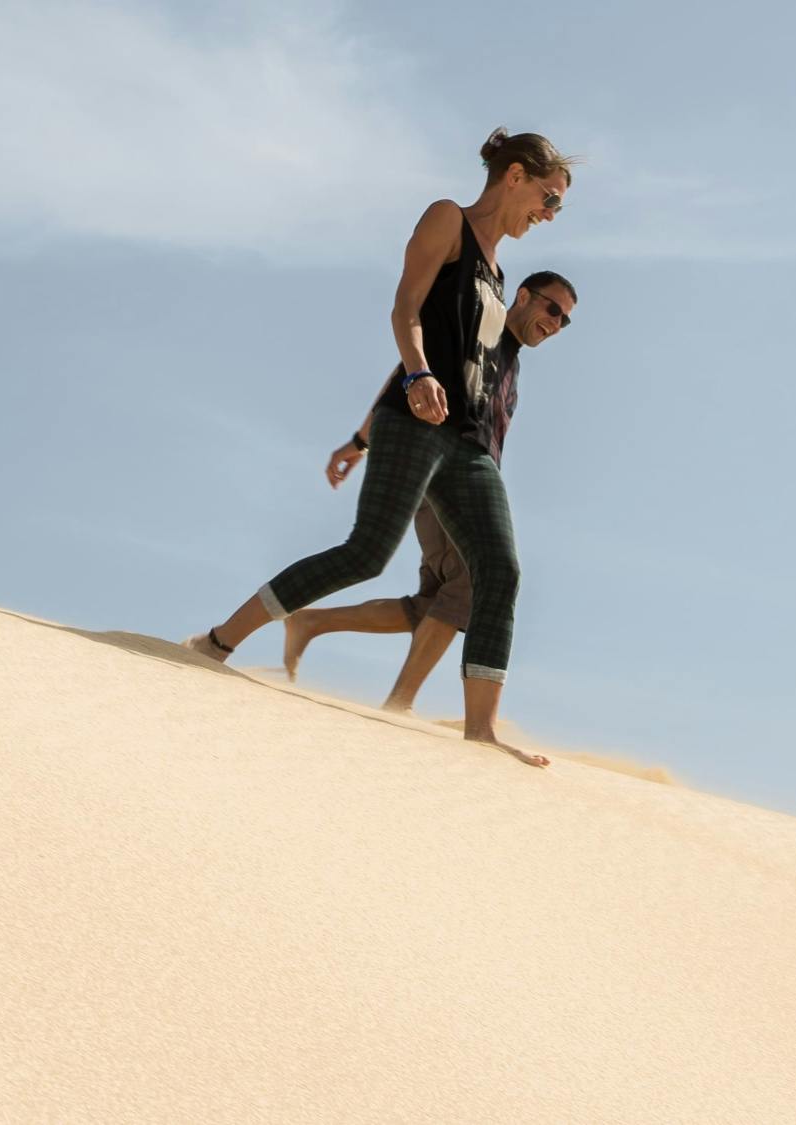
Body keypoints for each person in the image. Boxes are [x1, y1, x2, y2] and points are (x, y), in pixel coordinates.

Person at [184, 129, 575, 769]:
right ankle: (219, 642)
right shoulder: (448, 219)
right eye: (549, 197)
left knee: (499, 571)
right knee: (366, 554)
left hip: (470, 445)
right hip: (416, 423)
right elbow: (406, 307)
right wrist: (415, 379)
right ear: (514, 175)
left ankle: (481, 734)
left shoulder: (502, 275)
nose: (550, 214)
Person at [280, 271, 578, 716]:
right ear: (522, 296)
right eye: (552, 309)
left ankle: (311, 622)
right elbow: (409, 372)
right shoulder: (488, 326)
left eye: (565, 321)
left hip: (464, 481)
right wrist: (362, 441)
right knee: (469, 586)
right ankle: (399, 703)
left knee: (435, 603)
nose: (555, 323)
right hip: (442, 470)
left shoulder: (511, 358)